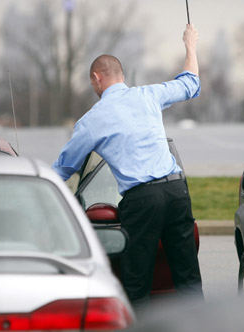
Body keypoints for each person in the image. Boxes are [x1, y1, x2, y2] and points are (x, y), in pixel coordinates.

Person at [52, 23, 203, 307]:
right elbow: (191, 83)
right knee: (188, 278)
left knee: (136, 282)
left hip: (142, 200)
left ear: (96, 79)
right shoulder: (148, 95)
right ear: (122, 76)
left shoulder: (92, 121)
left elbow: (63, 169)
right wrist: (190, 44)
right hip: (176, 190)